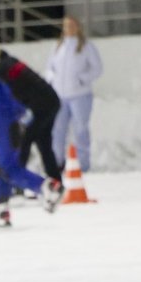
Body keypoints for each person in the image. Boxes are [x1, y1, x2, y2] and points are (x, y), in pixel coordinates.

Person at [0, 58, 62, 226]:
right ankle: (1, 208)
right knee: (3, 168)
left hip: (5, 129)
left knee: (9, 169)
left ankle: (46, 187)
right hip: (9, 127)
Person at [0, 40, 64, 190]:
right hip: (51, 102)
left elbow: (8, 93)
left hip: (42, 107)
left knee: (23, 142)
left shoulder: (2, 69)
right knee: (43, 144)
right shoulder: (9, 62)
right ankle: (56, 182)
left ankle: (17, 182)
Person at [45, 16, 103, 173]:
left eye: (71, 26)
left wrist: (81, 79)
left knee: (80, 129)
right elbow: (50, 67)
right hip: (60, 96)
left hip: (80, 95)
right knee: (58, 129)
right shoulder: (58, 47)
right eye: (65, 26)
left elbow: (96, 68)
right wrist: (52, 79)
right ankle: (57, 162)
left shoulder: (86, 47)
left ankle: (83, 164)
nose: (68, 29)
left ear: (77, 27)